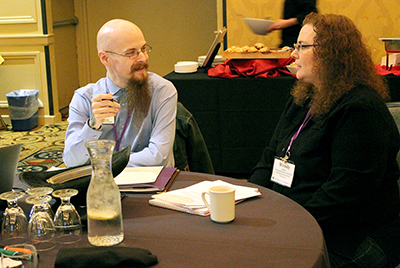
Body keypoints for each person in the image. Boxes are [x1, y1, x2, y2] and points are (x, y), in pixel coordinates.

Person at [250, 12, 400, 268]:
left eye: (302, 47)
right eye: (294, 46)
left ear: (332, 53)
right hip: (301, 220)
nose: (293, 55)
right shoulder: (304, 96)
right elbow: (271, 157)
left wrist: (287, 224)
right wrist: (252, 200)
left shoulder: (360, 109)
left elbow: (343, 194)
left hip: (351, 236)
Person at [63, 19, 177, 168]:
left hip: (149, 184)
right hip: (100, 184)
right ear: (105, 58)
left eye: (143, 49)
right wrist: (92, 126)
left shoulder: (162, 91)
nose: (143, 58)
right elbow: (71, 161)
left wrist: (100, 162)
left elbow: (158, 157)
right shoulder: (84, 97)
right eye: (131, 53)